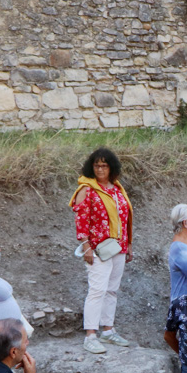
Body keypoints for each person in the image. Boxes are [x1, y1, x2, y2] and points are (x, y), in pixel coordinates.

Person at [69, 147, 134, 354]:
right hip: (97, 248)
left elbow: (125, 218)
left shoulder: (116, 189)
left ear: (111, 167)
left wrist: (129, 243)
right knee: (97, 290)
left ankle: (108, 330)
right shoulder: (86, 190)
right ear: (91, 167)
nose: (100, 169)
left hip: (119, 246)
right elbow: (81, 221)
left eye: (104, 165)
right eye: (96, 165)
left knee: (112, 289)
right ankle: (90, 335)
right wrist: (86, 246)